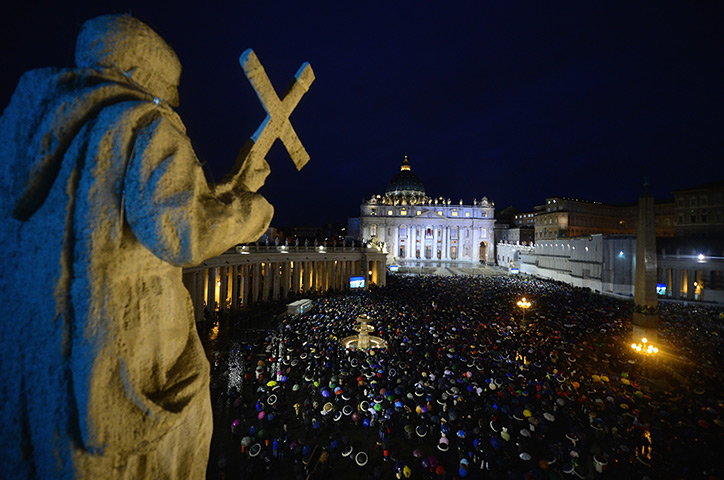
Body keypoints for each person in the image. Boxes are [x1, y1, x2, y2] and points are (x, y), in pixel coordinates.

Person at [0, 14, 274, 479]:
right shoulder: (142, 121)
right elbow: (185, 233)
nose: (174, 101)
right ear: (148, 75)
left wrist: (230, 187)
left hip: (43, 353)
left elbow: (139, 207)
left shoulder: (29, 132)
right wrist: (254, 212)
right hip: (128, 353)